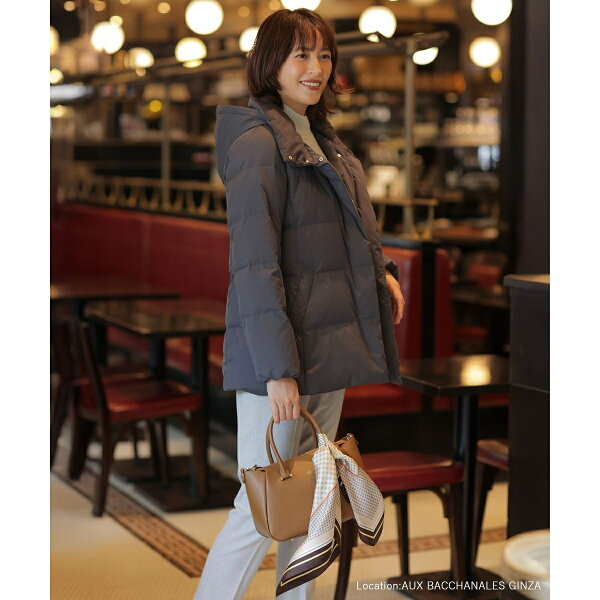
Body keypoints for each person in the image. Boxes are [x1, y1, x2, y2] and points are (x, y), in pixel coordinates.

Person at [193, 8, 405, 600]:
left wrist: (382, 272)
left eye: (324, 55)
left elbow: (343, 231)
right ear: (271, 63)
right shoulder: (257, 141)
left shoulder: (321, 137)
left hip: (327, 346)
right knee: (258, 502)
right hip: (280, 358)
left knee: (311, 497)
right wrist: (277, 369)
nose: (316, 68)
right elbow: (255, 266)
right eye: (301, 55)